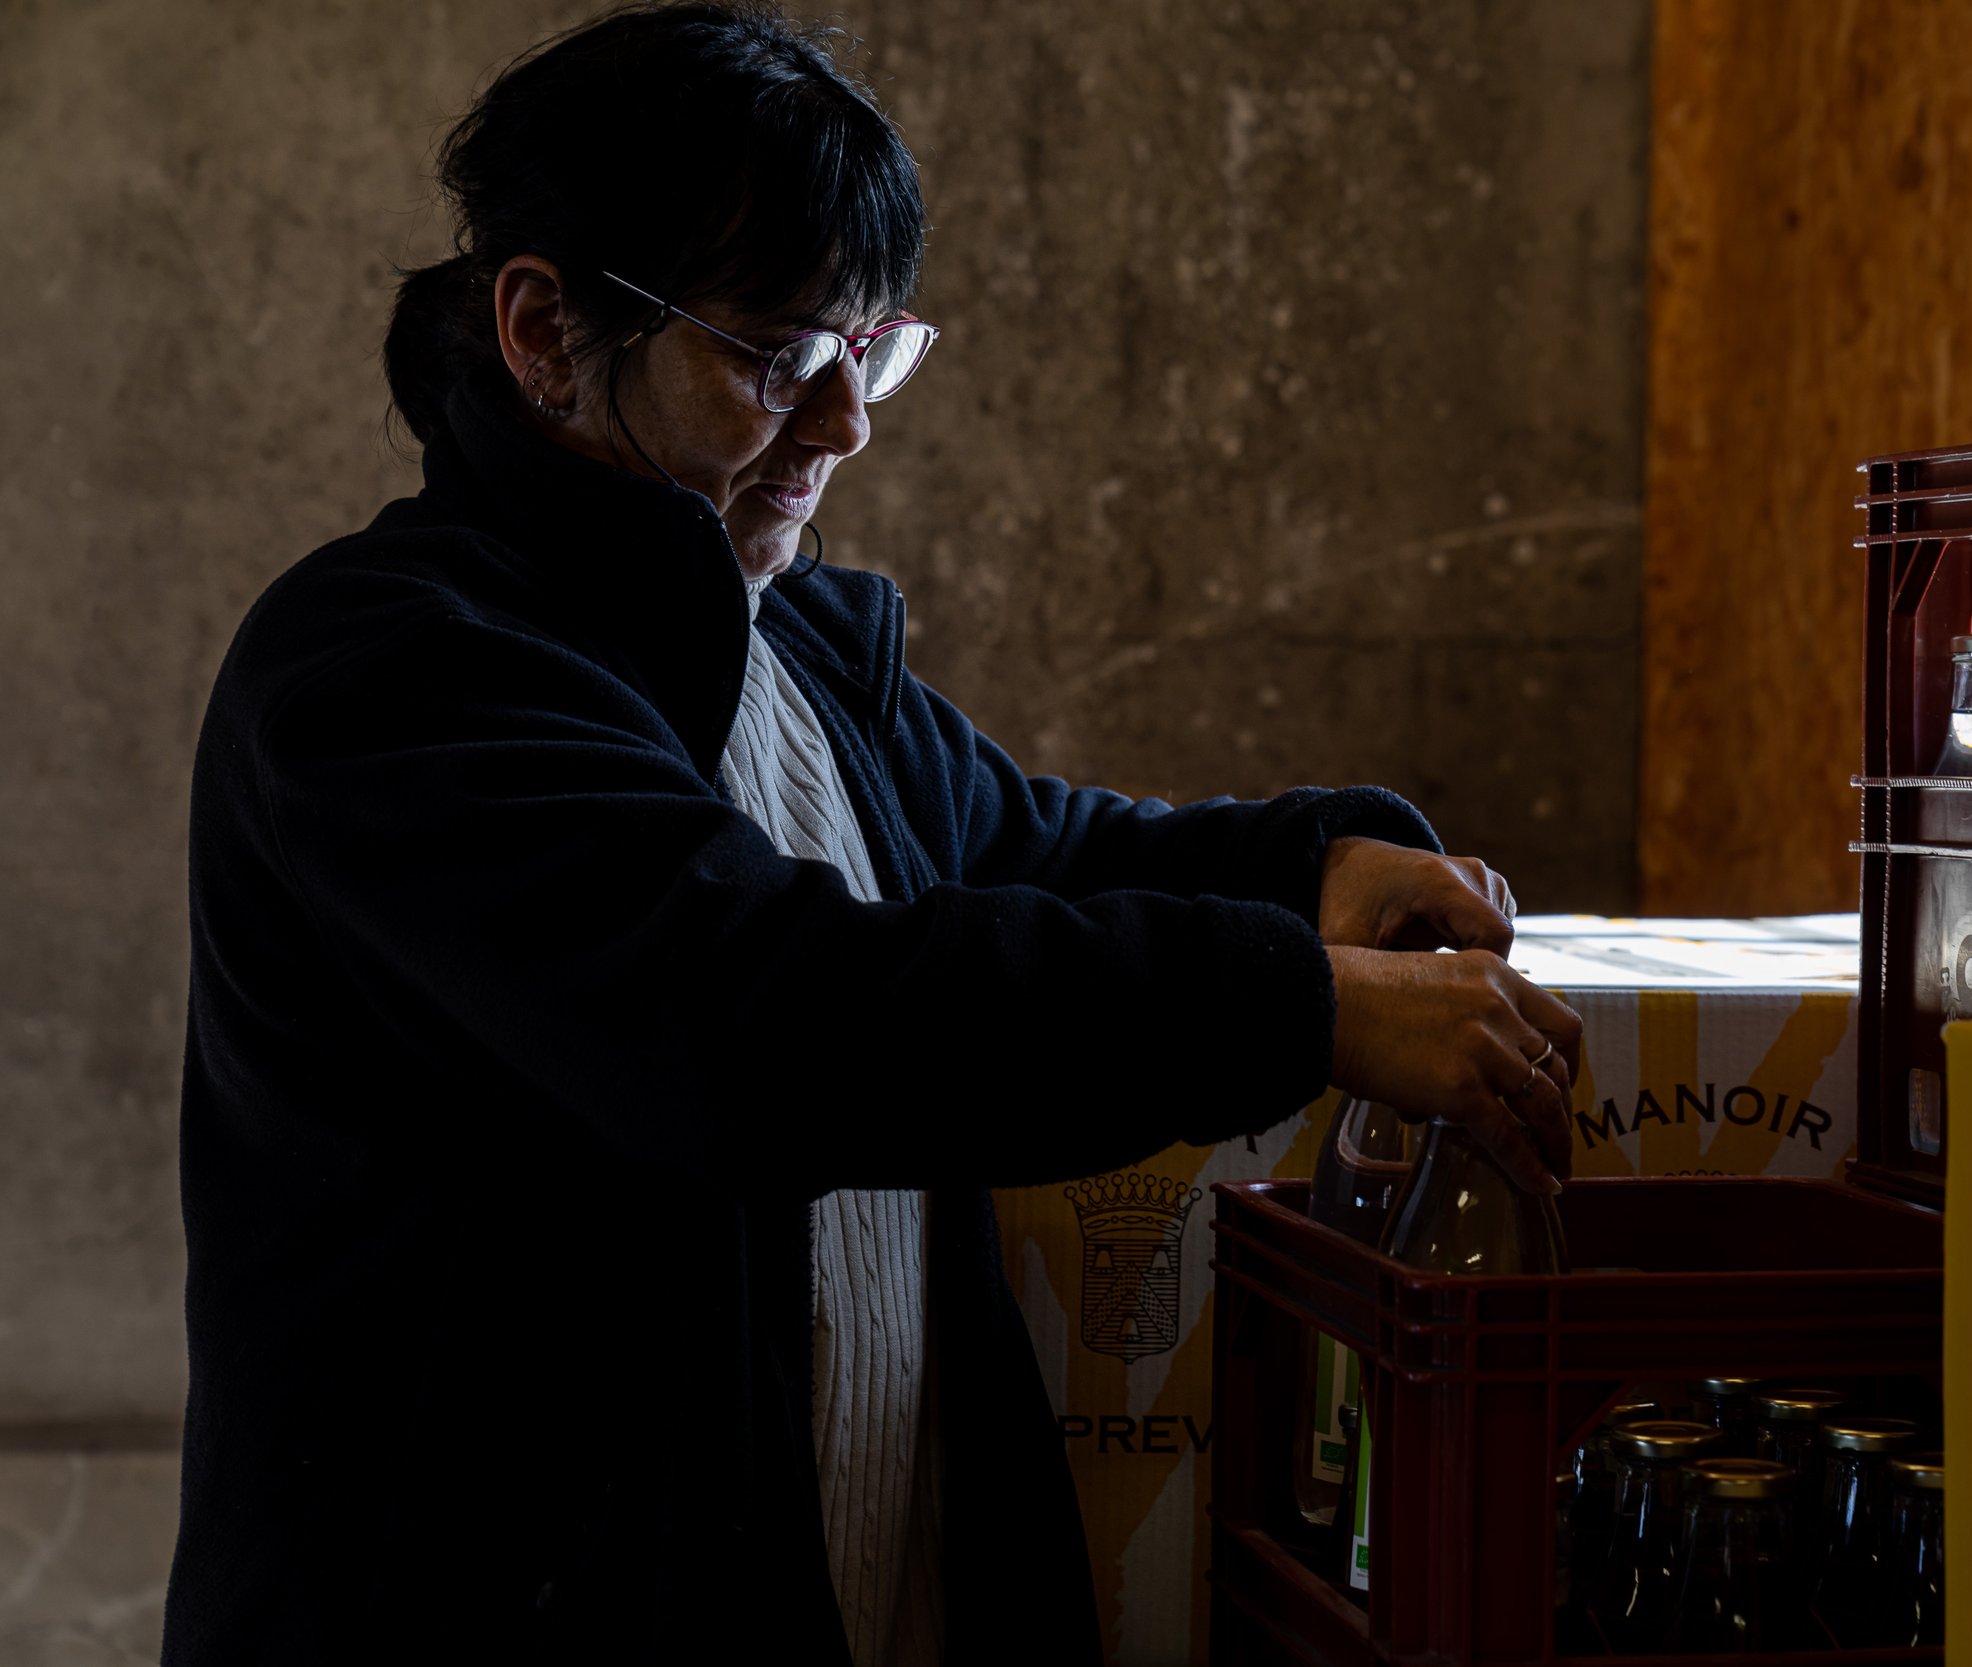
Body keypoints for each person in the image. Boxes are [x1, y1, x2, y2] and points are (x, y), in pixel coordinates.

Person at [164, 5, 1581, 1663]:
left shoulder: (793, 648)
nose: (841, 424)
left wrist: (1307, 866)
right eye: (775, 354)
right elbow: (765, 1016)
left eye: (867, 349)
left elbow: (1028, 852)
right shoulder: (388, 673)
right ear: (545, 332)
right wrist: (1299, 1005)